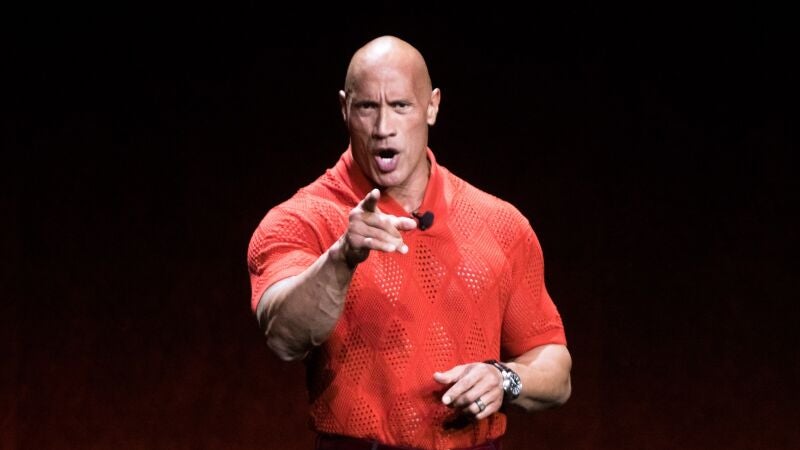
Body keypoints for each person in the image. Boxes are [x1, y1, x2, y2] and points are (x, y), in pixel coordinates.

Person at [247, 35, 572, 450]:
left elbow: (555, 369)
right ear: (345, 108)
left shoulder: (501, 224)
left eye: (401, 106)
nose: (384, 127)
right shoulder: (301, 220)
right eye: (368, 107)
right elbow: (283, 336)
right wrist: (342, 258)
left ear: (432, 107)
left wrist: (504, 378)